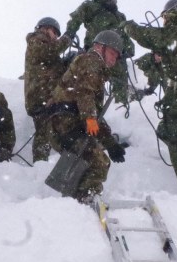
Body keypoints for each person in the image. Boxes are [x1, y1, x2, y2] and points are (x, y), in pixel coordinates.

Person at [124, 0, 177, 190]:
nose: (164, 22)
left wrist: (128, 26)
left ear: (171, 14)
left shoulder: (176, 34)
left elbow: (146, 36)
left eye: (165, 18)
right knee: (167, 132)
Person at [46, 30, 128, 203]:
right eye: (113, 53)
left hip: (66, 123)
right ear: (100, 47)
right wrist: (90, 119)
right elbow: (85, 94)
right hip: (66, 122)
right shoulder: (91, 60)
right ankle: (86, 200)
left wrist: (110, 143)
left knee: (91, 160)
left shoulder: (95, 70)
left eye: (117, 57)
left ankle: (76, 200)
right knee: (99, 162)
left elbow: (94, 115)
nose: (114, 59)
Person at [64, 0, 135, 105]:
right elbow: (77, 17)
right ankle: (113, 105)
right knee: (96, 78)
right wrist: (70, 33)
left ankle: (111, 107)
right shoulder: (93, 7)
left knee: (100, 78)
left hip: (110, 52)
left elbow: (124, 35)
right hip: (99, 51)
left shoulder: (117, 15)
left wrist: (69, 33)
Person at [23, 16, 72, 162]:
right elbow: (48, 52)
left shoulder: (46, 49)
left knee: (50, 131)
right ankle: (39, 164)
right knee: (44, 133)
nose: (56, 37)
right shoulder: (36, 40)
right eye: (55, 33)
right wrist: (67, 38)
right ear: (45, 29)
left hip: (47, 98)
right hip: (40, 98)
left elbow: (55, 70)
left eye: (57, 35)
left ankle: (43, 163)